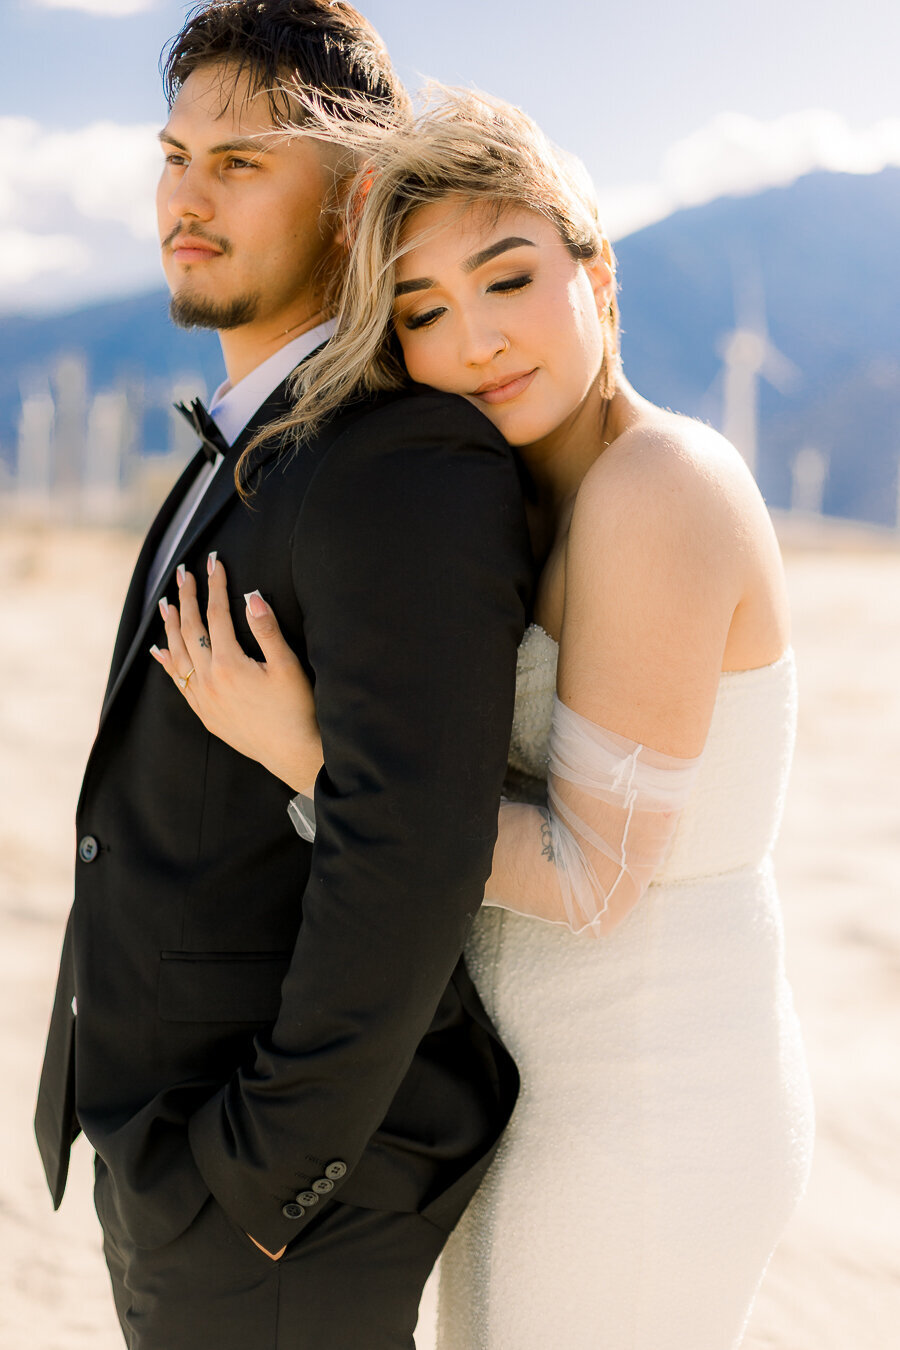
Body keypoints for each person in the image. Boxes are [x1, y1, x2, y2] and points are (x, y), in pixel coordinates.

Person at [158, 90, 816, 1348]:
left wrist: (305, 749)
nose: (477, 343)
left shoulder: (658, 487)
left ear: (598, 274)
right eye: (423, 314)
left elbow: (596, 874)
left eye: (507, 280)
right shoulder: (527, 501)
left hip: (649, 1107)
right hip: (551, 1096)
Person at [33, 7, 533, 1348]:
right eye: (174, 153)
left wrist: (260, 1179)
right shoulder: (245, 440)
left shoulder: (401, 461)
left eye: (241, 162)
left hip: (280, 1198)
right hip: (170, 1145)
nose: (186, 197)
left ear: (353, 193)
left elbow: (413, 856)